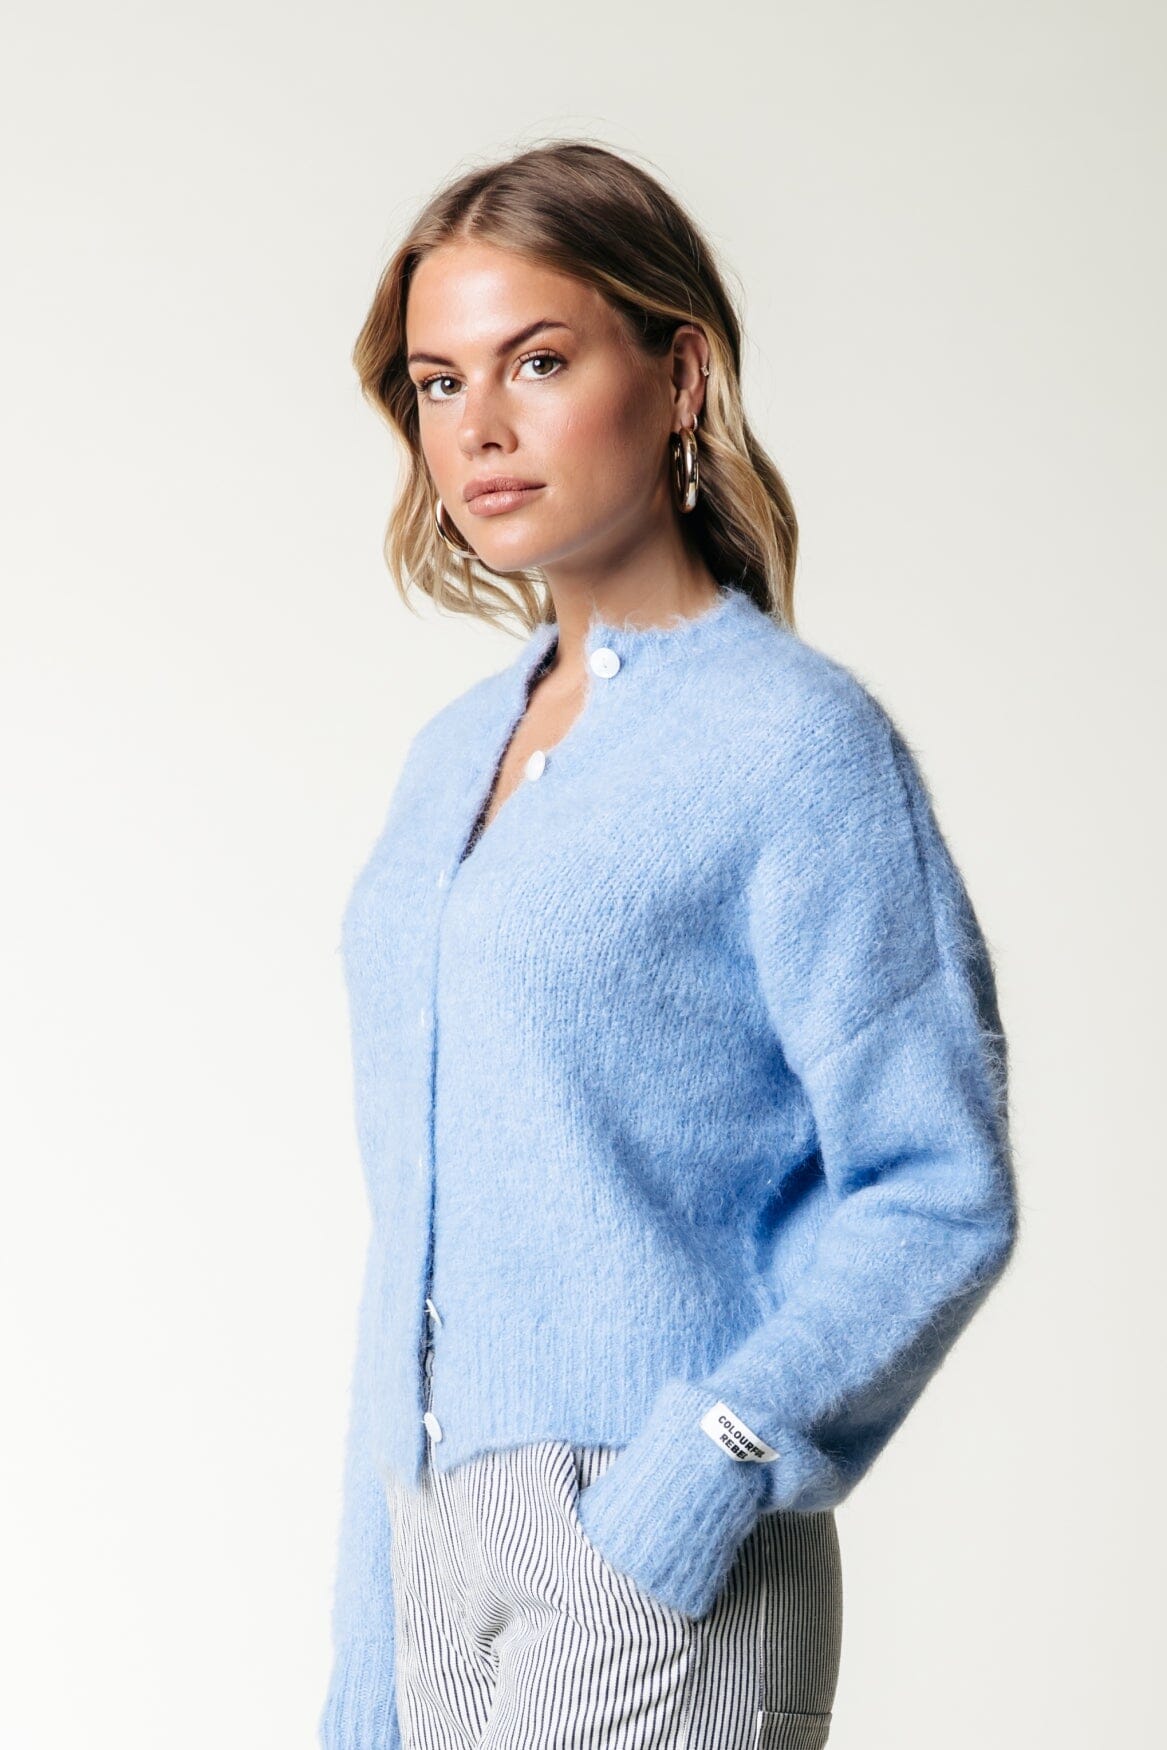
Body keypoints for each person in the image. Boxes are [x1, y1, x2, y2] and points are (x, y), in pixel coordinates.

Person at [318, 139, 1020, 1750]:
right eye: (437, 383)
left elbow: (937, 1185)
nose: (477, 429)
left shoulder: (794, 742)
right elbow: (415, 1237)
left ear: (681, 374)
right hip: (429, 1539)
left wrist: (712, 1456)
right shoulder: (449, 756)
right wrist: (372, 1646)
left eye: (538, 362)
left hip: (648, 1551)